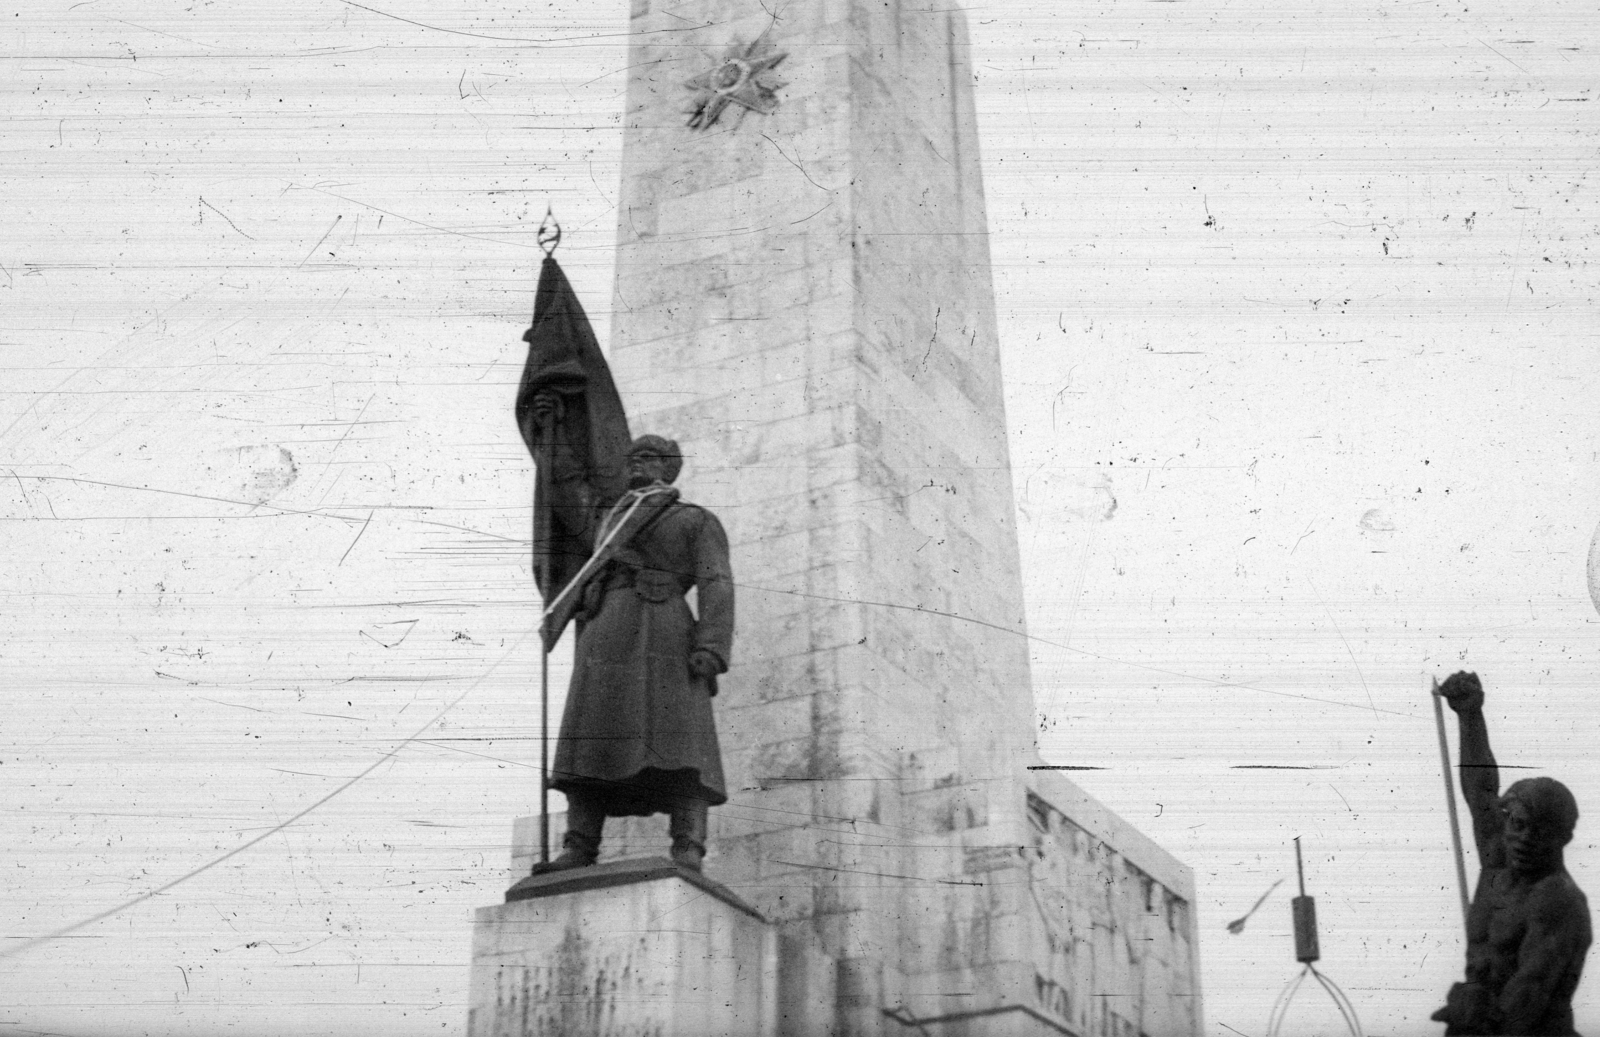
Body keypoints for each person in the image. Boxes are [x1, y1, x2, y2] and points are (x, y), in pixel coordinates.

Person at [526, 388, 733, 873]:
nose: (636, 463)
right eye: (633, 456)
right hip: (605, 634)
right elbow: (563, 486)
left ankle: (688, 846)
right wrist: (550, 431)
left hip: (664, 632)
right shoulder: (604, 522)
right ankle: (579, 846)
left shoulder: (693, 520)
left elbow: (717, 584)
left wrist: (712, 647)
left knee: (682, 746)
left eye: (648, 456)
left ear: (668, 467)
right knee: (591, 740)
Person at [1432, 671, 1591, 1035]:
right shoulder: (1498, 857)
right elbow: (1481, 793)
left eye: (1541, 832)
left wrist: (1476, 1013)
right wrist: (1470, 715)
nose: (1523, 839)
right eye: (1518, 824)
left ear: (1563, 838)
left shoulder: (1556, 900)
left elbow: (1526, 999)